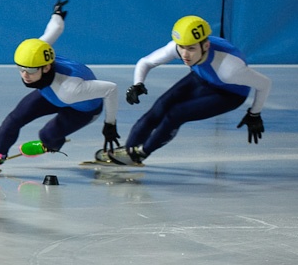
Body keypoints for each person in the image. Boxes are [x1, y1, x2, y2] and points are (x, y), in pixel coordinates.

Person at [0, 0, 120, 171]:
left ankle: (50, 145)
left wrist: (110, 124)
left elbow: (111, 88)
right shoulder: (39, 51)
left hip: (82, 109)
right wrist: (57, 14)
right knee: (13, 119)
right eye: (21, 69)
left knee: (47, 135)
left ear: (46, 67)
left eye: (30, 71)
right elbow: (55, 29)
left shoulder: (69, 89)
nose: (25, 75)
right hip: (52, 92)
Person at [106, 15, 271, 165]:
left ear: (206, 45)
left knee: (176, 114)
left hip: (230, 94)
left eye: (191, 49)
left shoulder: (229, 69)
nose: (185, 54)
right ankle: (128, 149)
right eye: (182, 47)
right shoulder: (179, 47)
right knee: (159, 107)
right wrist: (138, 84)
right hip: (203, 77)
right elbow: (146, 62)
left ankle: (140, 154)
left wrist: (254, 113)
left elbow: (264, 83)